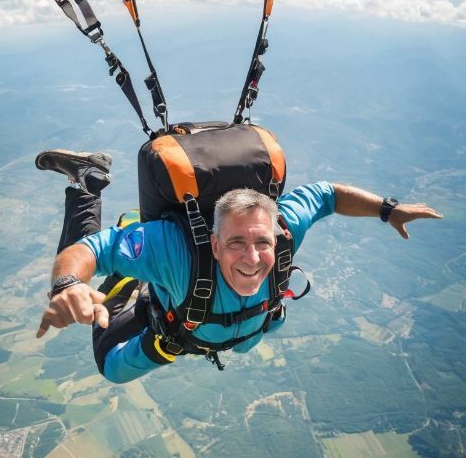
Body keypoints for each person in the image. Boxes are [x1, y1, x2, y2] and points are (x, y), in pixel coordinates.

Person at [35, 149, 443, 384]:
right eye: (235, 243)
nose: (251, 258)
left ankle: (139, 258)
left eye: (262, 242)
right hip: (171, 306)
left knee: (239, 323)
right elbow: (89, 249)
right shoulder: (176, 250)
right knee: (111, 366)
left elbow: (327, 195)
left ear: (276, 235)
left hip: (206, 317)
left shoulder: (285, 225)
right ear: (214, 244)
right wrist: (68, 284)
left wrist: (388, 210)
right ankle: (87, 184)